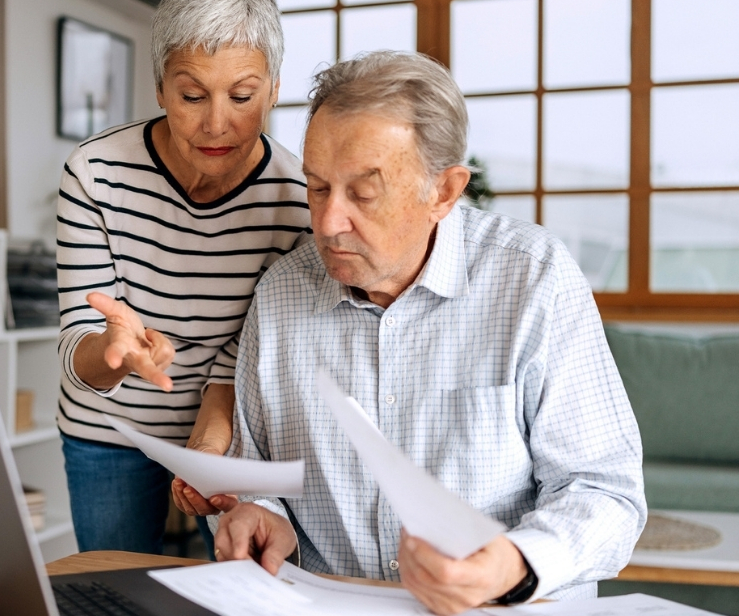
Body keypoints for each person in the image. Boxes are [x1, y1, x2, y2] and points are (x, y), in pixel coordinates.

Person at [207, 51, 647, 615]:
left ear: (444, 191)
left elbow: (605, 493)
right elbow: (258, 471)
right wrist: (263, 513)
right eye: (317, 189)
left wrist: (513, 565)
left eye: (363, 193)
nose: (327, 222)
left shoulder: (533, 279)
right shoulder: (280, 295)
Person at [54, 0, 309, 556]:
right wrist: (114, 354)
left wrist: (209, 446)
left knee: (242, 584)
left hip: (225, 428)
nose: (217, 124)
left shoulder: (296, 201)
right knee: (114, 586)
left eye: (243, 95)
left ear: (273, 88)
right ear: (160, 86)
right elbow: (78, 346)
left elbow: (245, 350)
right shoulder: (95, 175)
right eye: (192, 94)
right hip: (106, 431)